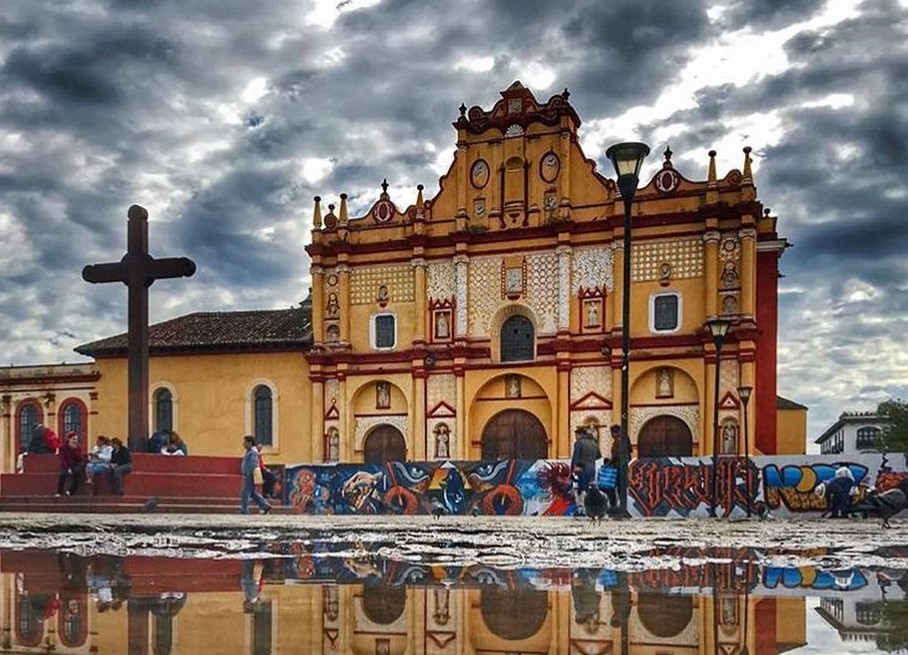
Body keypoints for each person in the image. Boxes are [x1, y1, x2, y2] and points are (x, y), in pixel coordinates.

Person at [571, 426, 601, 514]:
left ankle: (581, 508)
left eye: (576, 435)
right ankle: (588, 508)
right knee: (589, 487)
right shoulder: (594, 443)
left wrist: (573, 468)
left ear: (580, 434)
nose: (576, 437)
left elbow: (575, 456)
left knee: (581, 487)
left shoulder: (579, 443)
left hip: (581, 468)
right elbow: (598, 455)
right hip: (592, 467)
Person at [241, 435, 271, 515]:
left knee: (245, 492)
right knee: (253, 493)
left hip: (249, 475)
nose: (243, 444)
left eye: (245, 442)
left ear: (250, 443)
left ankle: (244, 509)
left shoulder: (253, 452)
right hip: (248, 474)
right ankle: (265, 505)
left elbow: (253, 464)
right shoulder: (250, 451)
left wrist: (248, 473)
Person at [56, 432, 84, 497]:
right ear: (69, 439)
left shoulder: (78, 447)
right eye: (73, 439)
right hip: (67, 465)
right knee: (62, 474)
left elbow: (80, 459)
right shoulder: (62, 447)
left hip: (76, 465)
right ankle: (59, 492)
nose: (75, 441)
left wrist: (75, 450)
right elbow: (62, 459)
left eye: (76, 439)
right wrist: (67, 468)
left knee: (78, 473)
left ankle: (71, 491)